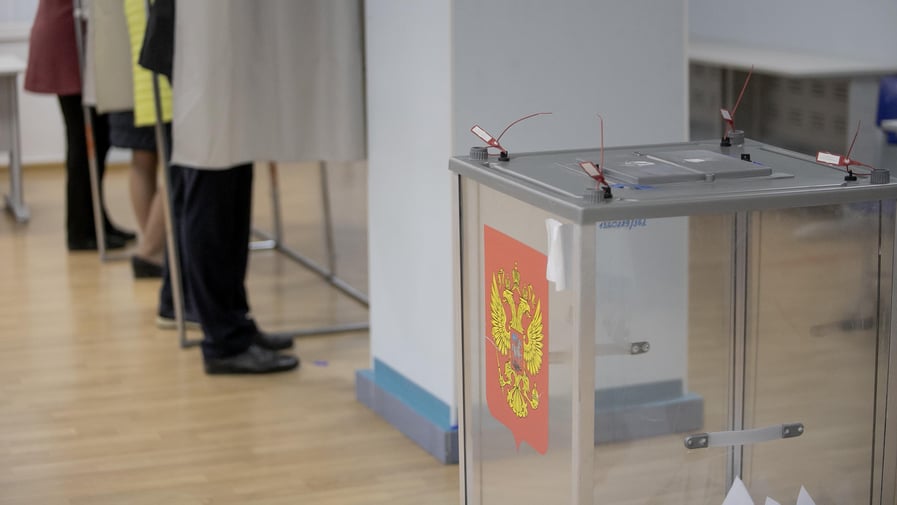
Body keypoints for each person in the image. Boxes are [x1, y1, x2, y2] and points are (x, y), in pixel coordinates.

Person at [140, 0, 298, 374]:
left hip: (214, 43)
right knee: (211, 188)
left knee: (231, 183)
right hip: (196, 45)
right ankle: (223, 340)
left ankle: (235, 323)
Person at [25, 0, 135, 251]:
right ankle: (80, 230)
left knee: (97, 137)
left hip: (75, 40)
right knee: (85, 139)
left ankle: (96, 221)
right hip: (68, 41)